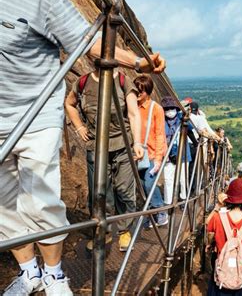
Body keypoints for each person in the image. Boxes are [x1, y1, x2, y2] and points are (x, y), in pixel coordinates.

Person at [0, 0, 165, 294]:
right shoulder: (84, 83)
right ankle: (28, 272)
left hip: (37, 115)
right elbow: (75, 104)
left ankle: (54, 275)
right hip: (5, 122)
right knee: (4, 203)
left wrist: (139, 62)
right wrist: (78, 127)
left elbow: (87, 40)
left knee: (41, 199)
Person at [65, 69, 143, 252]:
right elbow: (69, 104)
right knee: (99, 194)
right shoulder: (83, 82)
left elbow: (133, 114)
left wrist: (138, 142)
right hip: (96, 146)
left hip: (123, 145)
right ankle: (103, 233)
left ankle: (124, 230)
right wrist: (79, 127)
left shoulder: (123, 81)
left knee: (124, 191)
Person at [134, 75, 168, 227]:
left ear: (147, 91)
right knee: (142, 187)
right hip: (138, 153)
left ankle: (161, 211)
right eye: (136, 90)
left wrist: (159, 159)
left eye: (141, 91)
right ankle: (151, 215)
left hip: (153, 153)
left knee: (149, 184)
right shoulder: (132, 107)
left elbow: (160, 133)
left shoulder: (156, 108)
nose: (137, 94)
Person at [161, 96, 198, 209]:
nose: (170, 111)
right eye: (167, 109)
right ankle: (168, 203)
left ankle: (183, 200)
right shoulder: (162, 121)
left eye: (172, 108)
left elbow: (189, 132)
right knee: (168, 179)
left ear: (176, 109)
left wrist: (196, 144)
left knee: (183, 179)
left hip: (182, 154)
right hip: (168, 155)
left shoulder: (181, 119)